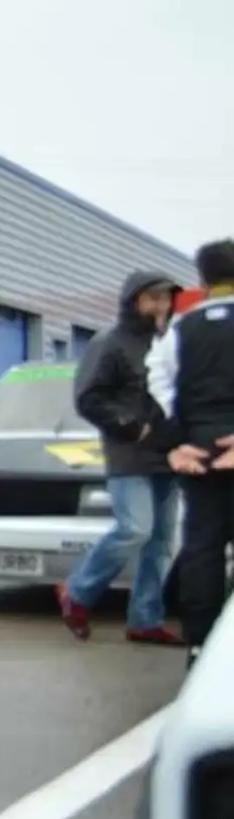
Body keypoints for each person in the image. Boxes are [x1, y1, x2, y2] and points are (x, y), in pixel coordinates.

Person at [56, 271, 184, 645]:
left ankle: (145, 620)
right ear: (133, 301)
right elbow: (88, 398)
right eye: (153, 298)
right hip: (129, 453)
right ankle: (77, 592)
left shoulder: (169, 343)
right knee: (135, 529)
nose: (161, 306)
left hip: (168, 453)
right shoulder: (109, 342)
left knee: (161, 542)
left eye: (165, 299)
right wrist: (128, 426)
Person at [146, 238, 234, 670]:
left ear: (202, 278)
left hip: (198, 454)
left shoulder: (178, 331)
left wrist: (178, 442)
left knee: (202, 548)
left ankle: (200, 646)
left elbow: (156, 387)